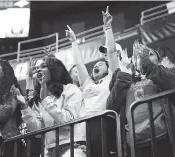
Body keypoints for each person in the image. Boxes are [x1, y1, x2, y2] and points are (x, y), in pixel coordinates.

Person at [65, 6, 119, 157]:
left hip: (103, 123)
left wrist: (107, 28)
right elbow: (79, 63)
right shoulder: (87, 83)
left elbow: (112, 53)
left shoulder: (111, 78)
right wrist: (74, 42)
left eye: (101, 64)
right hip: (83, 129)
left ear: (108, 69)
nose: (96, 64)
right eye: (95, 64)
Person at [107, 41, 175, 157]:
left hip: (162, 137)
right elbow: (111, 106)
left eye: (150, 54)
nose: (143, 57)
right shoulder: (127, 80)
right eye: (138, 55)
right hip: (134, 143)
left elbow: (171, 83)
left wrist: (147, 64)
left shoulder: (164, 73)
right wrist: (124, 74)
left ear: (158, 61)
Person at [16, 56, 86, 157]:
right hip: (48, 150)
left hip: (73, 147)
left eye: (43, 66)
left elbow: (68, 121)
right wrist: (25, 108)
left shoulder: (71, 89)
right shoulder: (41, 98)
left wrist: (46, 101)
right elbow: (38, 131)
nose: (39, 69)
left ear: (55, 70)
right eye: (37, 68)